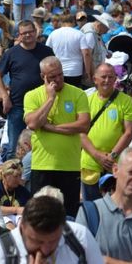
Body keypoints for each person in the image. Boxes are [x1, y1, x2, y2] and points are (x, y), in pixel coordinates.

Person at [24, 56, 89, 217]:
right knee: (40, 215)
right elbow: (33, 123)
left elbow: (83, 125)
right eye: (52, 77)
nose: (58, 79)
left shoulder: (78, 94)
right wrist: (50, 98)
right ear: (43, 77)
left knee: (69, 215)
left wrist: (50, 127)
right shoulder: (32, 95)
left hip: (70, 165)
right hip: (42, 165)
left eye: (60, 74)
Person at [76, 147, 132, 263]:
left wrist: (106, 260)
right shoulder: (89, 213)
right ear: (115, 170)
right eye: (131, 172)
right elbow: (77, 258)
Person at [0, 20, 54, 159]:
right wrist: (5, 97)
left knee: (44, 146)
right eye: (24, 33)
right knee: (14, 148)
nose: (28, 35)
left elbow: (54, 71)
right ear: (19, 35)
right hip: (17, 105)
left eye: (30, 32)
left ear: (36, 32)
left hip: (42, 105)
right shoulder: (11, 53)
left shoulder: (46, 51)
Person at [0, 195, 103, 263]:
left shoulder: (79, 237)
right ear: (21, 227)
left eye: (53, 241)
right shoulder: (0, 255)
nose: (45, 250)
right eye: (37, 241)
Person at [80, 63, 132, 201]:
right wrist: (97, 155)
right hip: (90, 163)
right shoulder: (86, 100)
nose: (107, 80)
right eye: (103, 77)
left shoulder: (126, 100)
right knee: (91, 207)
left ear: (115, 79)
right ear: (95, 79)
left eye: (111, 77)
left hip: (115, 165)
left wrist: (112, 156)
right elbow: (80, 132)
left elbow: (129, 132)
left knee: (117, 206)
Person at [45, 14, 89, 87]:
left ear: (61, 22)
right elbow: (86, 53)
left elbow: (47, 51)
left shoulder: (53, 34)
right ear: (73, 22)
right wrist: (87, 71)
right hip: (75, 71)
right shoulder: (79, 34)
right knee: (74, 92)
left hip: (57, 70)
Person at [0, 159, 31, 229]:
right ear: (4, 176)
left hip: (18, 219)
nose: (18, 179)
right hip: (1, 219)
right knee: (7, 222)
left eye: (20, 176)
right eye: (15, 176)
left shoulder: (22, 190)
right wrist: (16, 210)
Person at [81, 14, 111, 84]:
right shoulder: (90, 35)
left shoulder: (96, 31)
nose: (106, 32)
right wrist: (89, 74)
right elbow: (87, 55)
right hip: (91, 74)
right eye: (106, 29)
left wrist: (106, 52)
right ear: (100, 25)